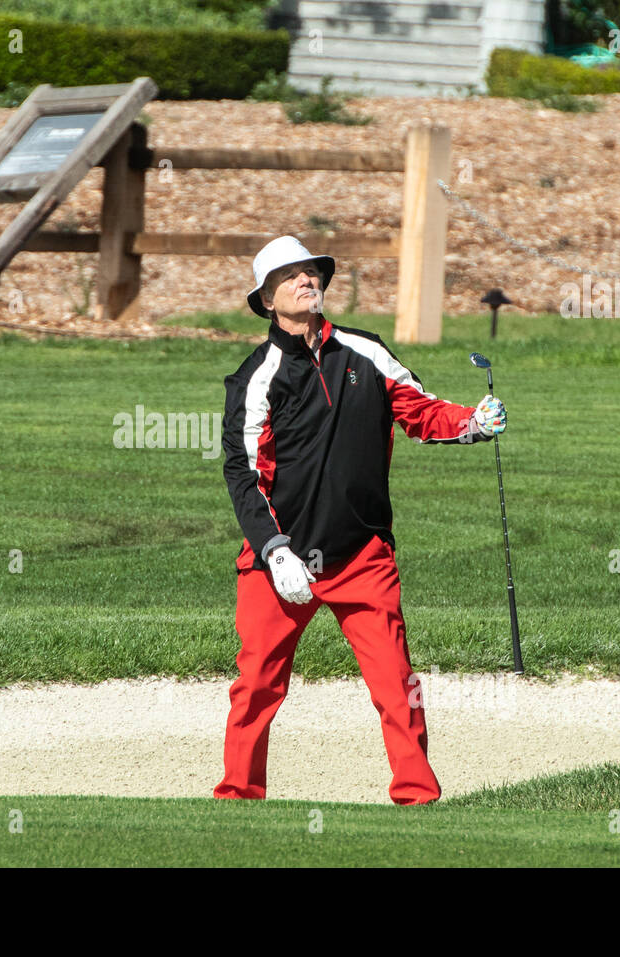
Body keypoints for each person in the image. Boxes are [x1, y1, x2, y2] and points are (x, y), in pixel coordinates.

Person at [215, 235, 507, 804]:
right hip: (280, 561)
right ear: (268, 300)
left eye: (312, 271)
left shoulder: (365, 351)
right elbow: (243, 475)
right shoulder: (254, 377)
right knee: (255, 686)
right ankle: (238, 799)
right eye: (292, 276)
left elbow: (419, 410)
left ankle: (418, 797)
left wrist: (472, 421)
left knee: (397, 685)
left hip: (362, 555)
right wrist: (275, 551)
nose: (307, 280)